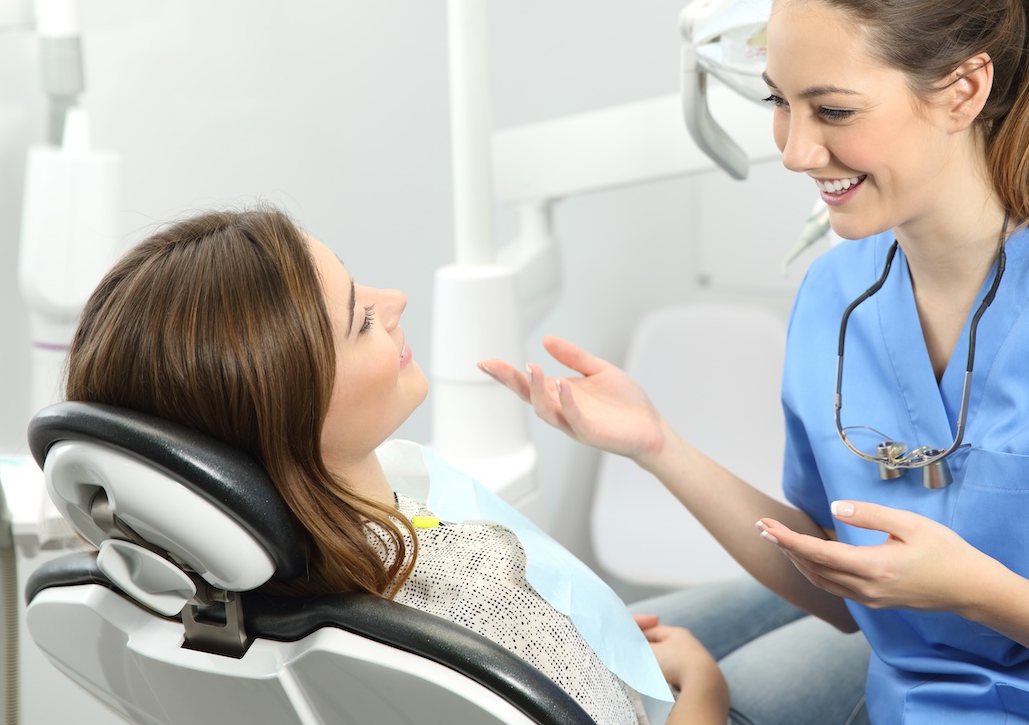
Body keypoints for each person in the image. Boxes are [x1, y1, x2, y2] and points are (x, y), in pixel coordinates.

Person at [480, 0, 1029, 725]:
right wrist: (657, 447)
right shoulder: (838, 297)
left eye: (833, 110)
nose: (792, 149)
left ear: (964, 88)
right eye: (779, 102)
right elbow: (848, 584)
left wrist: (988, 595)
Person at [64, 206, 729, 725]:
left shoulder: (233, 594)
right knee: (831, 624)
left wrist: (569, 633)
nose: (396, 300)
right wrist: (706, 687)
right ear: (296, 418)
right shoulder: (481, 599)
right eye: (361, 319)